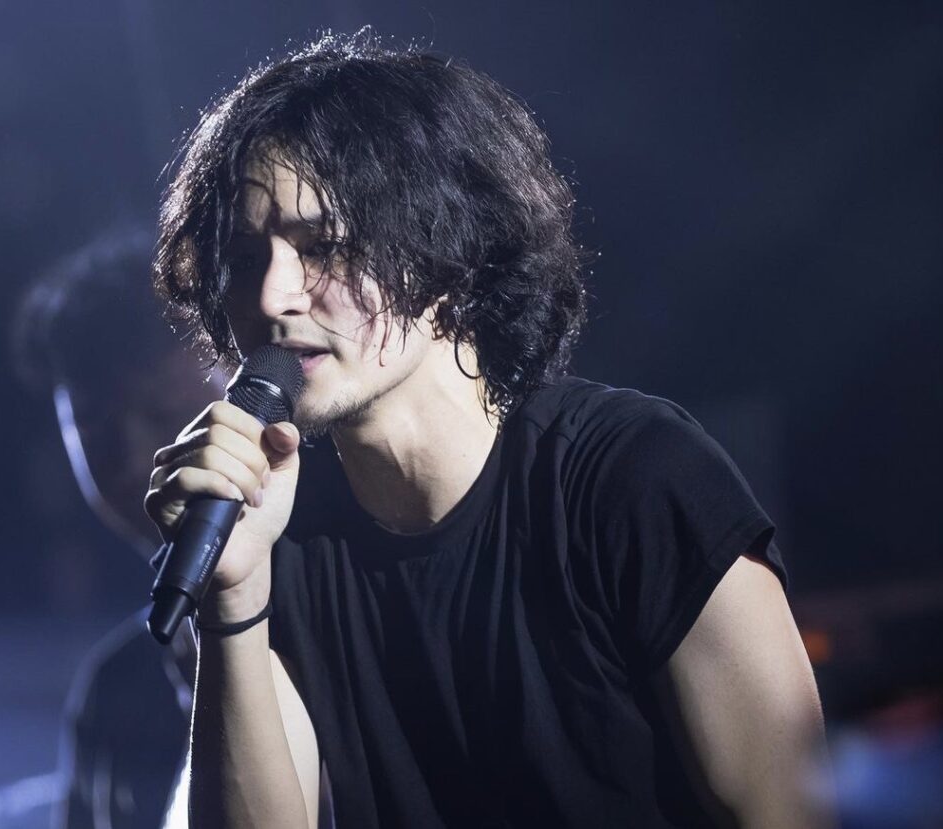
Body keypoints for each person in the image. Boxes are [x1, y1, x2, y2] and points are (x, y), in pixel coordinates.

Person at [145, 32, 834, 828]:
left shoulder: (633, 477)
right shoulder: (283, 535)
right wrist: (232, 594)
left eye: (322, 246)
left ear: (446, 252)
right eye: (244, 257)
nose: (273, 296)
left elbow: (792, 812)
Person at [13, 229, 224, 829]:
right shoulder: (114, 692)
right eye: (95, 431)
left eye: (164, 413)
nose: (135, 460)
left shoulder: (355, 621)